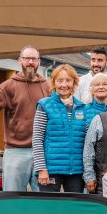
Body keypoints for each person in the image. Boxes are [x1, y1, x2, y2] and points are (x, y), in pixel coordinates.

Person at [0, 45, 47, 191]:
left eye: (33, 59)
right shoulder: (9, 86)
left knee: (43, 199)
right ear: (19, 60)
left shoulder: (48, 86)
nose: (30, 62)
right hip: (15, 151)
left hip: (43, 151)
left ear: (39, 62)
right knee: (12, 198)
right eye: (26, 58)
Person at [32, 64, 89, 193]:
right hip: (50, 170)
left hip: (76, 171)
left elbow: (87, 141)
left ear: (74, 83)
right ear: (53, 83)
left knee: (73, 209)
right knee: (50, 209)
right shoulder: (44, 105)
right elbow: (37, 139)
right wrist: (41, 169)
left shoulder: (82, 108)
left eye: (68, 80)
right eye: (60, 80)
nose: (64, 84)